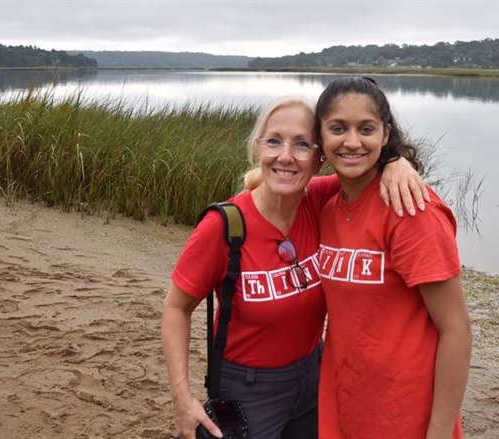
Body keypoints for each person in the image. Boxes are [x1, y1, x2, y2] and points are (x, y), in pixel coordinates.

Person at [161, 95, 428, 439]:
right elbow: (175, 308)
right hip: (248, 388)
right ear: (258, 148)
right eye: (273, 141)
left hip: (313, 377)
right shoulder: (224, 226)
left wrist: (396, 162)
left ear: (320, 159)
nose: (285, 156)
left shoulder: (317, 200)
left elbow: (365, 166)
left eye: (302, 144)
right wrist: (182, 398)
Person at [315, 76, 473, 439]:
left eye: (366, 128)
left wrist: (439, 432)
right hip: (344, 402)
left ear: (386, 134)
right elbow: (282, 186)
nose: (352, 142)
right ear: (321, 137)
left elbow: (457, 331)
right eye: (338, 128)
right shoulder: (328, 207)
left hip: (405, 414)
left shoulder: (412, 211)